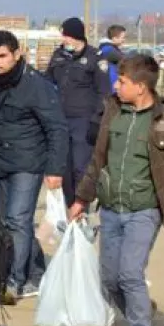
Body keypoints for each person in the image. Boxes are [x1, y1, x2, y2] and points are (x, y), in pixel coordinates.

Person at [69, 54, 164, 326]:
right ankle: (140, 307)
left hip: (145, 210)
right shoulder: (112, 112)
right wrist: (81, 199)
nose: (116, 86)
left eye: (123, 82)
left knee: (130, 273)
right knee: (110, 279)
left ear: (141, 87)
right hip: (111, 209)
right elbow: (97, 160)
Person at [0, 31, 68, 302]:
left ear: (16, 53)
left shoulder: (37, 85)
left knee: (17, 221)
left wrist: (55, 169)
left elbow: (56, 128)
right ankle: (36, 272)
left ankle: (14, 280)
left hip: (28, 163)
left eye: (2, 56)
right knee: (6, 223)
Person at [46, 17, 111, 205]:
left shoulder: (95, 58)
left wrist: (97, 119)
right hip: (60, 120)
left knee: (80, 167)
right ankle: (69, 206)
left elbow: (103, 92)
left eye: (66, 36)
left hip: (83, 121)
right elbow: (48, 82)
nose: (64, 40)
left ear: (76, 36)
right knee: (63, 168)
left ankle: (81, 207)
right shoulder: (58, 56)